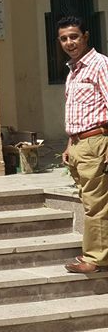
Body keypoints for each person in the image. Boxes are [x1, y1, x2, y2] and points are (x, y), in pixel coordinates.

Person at [58, 15, 108, 274]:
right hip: (79, 145)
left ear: (86, 36)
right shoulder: (74, 70)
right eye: (64, 38)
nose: (69, 42)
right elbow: (76, 111)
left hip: (95, 142)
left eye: (74, 37)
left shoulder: (100, 65)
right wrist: (70, 144)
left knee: (96, 204)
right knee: (91, 203)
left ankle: (95, 259)